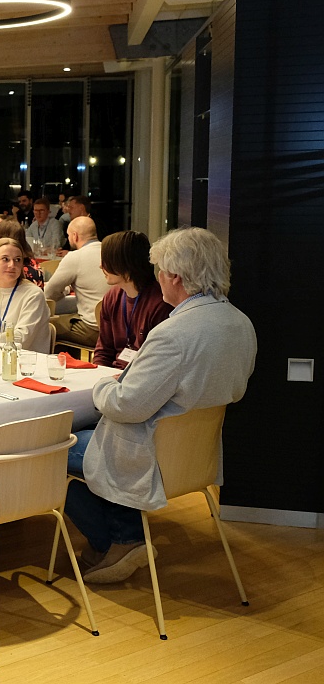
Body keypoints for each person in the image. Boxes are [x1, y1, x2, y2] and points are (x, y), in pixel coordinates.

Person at [66, 227, 257, 584]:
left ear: (175, 277)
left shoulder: (174, 334)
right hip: (196, 455)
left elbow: (126, 405)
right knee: (84, 439)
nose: (157, 279)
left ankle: (122, 541)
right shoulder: (241, 323)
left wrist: (101, 385)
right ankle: (116, 541)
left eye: (160, 271)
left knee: (52, 449)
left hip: (151, 454)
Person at [93, 231, 173, 369]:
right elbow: (103, 351)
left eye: (106, 260)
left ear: (123, 263)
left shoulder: (160, 303)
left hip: (141, 375)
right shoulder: (112, 297)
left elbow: (156, 363)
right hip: (112, 375)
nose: (101, 266)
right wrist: (99, 375)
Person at [46, 216, 108, 347]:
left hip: (92, 329)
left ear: (75, 236)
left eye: (68, 235)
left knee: (45, 325)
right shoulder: (110, 251)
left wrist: (64, 291)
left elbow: (49, 294)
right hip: (118, 329)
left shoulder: (75, 257)